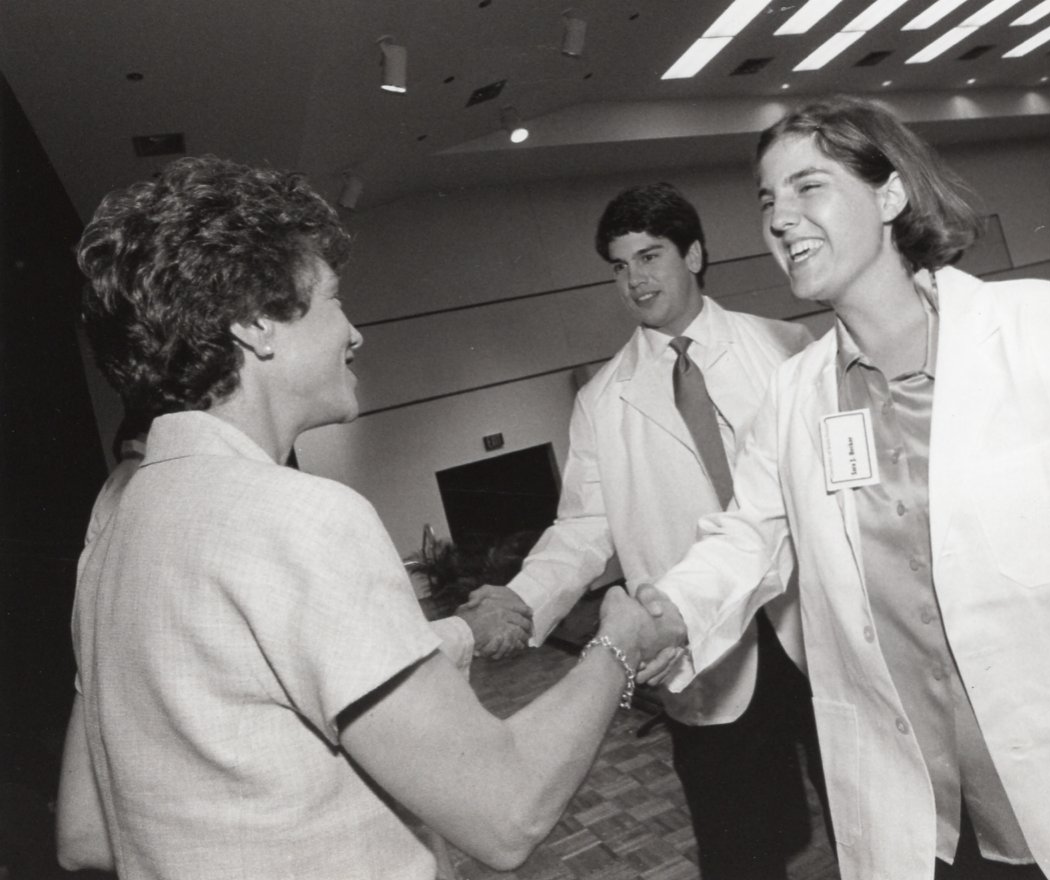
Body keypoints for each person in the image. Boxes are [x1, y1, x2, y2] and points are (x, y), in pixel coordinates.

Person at [637, 96, 1050, 880]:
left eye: (809, 187)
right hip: (934, 831)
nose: (780, 218)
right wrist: (660, 614)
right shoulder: (798, 398)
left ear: (891, 195)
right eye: (768, 200)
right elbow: (745, 539)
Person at [55, 156, 667, 880]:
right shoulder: (298, 517)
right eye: (332, 300)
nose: (353, 332)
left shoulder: (116, 527)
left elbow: (87, 835)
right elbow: (507, 813)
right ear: (257, 324)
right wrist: (620, 642)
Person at [468, 182, 825, 878]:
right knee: (743, 855)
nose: (634, 278)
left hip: (816, 621)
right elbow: (582, 527)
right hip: (703, 650)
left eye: (650, 256)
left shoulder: (785, 346)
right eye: (619, 264)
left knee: (875, 817)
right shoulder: (603, 399)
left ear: (694, 254)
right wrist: (523, 597)